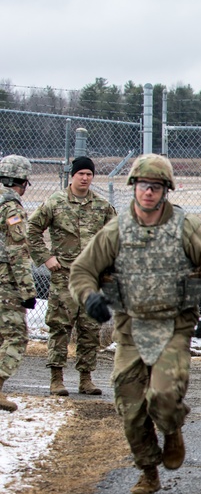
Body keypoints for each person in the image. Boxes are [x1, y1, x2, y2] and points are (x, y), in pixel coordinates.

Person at [69, 154, 201, 494]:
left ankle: (172, 427)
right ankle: (148, 470)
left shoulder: (186, 227)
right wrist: (90, 297)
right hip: (130, 329)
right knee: (129, 408)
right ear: (134, 188)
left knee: (163, 396)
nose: (148, 193)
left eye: (155, 187)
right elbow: (82, 270)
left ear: (165, 191)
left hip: (174, 326)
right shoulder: (117, 229)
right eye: (143, 186)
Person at [28, 156, 116, 396]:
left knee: (89, 328)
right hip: (63, 275)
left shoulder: (101, 205)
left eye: (89, 174)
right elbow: (32, 229)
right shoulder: (55, 202)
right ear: (73, 176)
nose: (85, 178)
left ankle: (86, 379)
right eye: (81, 174)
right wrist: (46, 258)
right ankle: (56, 378)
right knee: (59, 326)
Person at [0, 155, 38, 412]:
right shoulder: (11, 207)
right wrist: (28, 290)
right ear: (22, 181)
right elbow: (17, 251)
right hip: (6, 280)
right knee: (15, 336)